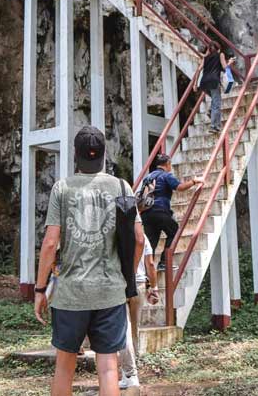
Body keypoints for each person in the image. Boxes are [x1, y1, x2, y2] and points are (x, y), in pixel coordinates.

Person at [34, 126, 144, 396]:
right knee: (108, 367)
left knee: (64, 366)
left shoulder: (63, 188)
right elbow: (139, 239)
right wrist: (125, 274)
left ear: (76, 155)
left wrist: (39, 289)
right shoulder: (121, 186)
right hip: (109, 292)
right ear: (104, 155)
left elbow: (50, 243)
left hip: (71, 293)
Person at [140, 153, 202, 271]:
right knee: (174, 231)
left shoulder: (148, 177)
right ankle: (164, 262)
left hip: (146, 213)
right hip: (160, 210)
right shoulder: (166, 176)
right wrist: (194, 181)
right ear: (167, 164)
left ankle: (147, 271)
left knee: (151, 241)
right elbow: (180, 187)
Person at [117, 236, 158, 390]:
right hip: (140, 285)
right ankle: (130, 372)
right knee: (134, 330)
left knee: (124, 330)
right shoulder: (143, 237)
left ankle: (129, 374)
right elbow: (151, 264)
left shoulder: (119, 233)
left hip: (121, 285)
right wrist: (153, 287)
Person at [199, 43, 230, 133]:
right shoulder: (220, 55)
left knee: (215, 101)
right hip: (213, 82)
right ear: (218, 49)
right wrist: (230, 63)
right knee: (217, 104)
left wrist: (194, 84)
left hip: (204, 83)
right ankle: (213, 126)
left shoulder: (206, 58)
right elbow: (224, 67)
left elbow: (199, 69)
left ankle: (212, 114)